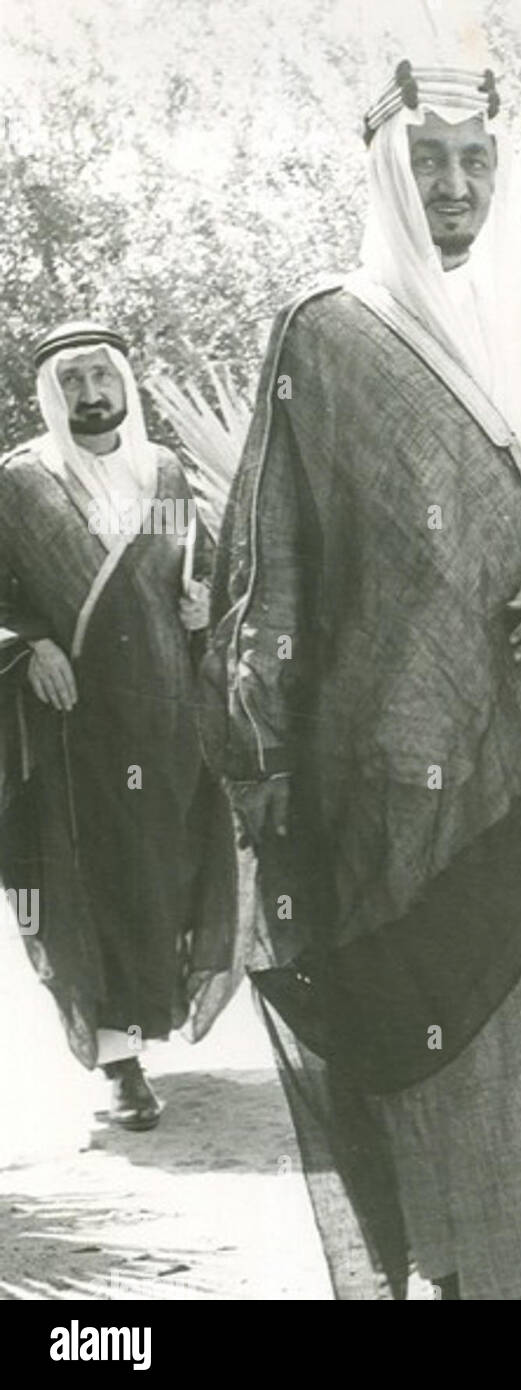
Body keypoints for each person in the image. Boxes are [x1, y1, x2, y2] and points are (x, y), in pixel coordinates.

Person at [202, 57, 521, 1300]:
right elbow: (276, 556)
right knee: (420, 1033)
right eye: (428, 161)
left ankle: (502, 1274)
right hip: (386, 774)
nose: (454, 185)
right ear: (387, 177)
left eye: (475, 160)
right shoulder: (326, 332)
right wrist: (266, 762)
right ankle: (439, 1277)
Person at [0, 320, 239, 1130]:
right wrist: (30, 645)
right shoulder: (21, 482)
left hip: (166, 717)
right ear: (51, 394)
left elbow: (183, 577)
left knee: (160, 879)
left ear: (125, 386)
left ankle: (144, 1029)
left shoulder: (165, 474)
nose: (91, 396)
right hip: (75, 725)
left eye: (102, 378)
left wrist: (198, 607)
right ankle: (121, 1063)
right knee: (90, 884)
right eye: (72, 383)